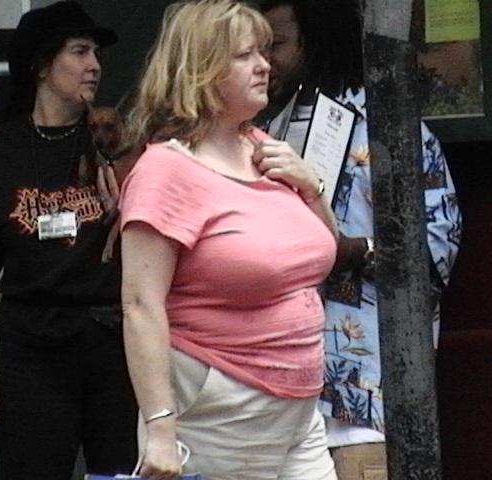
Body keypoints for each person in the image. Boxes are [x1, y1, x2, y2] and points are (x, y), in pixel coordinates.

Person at [119, 1, 339, 478]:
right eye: (245, 55)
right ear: (200, 70)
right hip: (221, 413)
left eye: (264, 51)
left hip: (300, 411)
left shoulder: (265, 149)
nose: (265, 65)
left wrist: (312, 186)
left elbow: (326, 253)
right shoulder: (166, 171)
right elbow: (139, 305)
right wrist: (161, 429)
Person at [0, 2, 138, 478]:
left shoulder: (113, 142)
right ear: (43, 66)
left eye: (97, 54)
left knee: (121, 471)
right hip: (34, 351)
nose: (94, 65)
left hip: (113, 343)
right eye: (80, 52)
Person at [259, 1, 462, 479]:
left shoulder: (390, 128)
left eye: (277, 46)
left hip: (361, 398)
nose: (265, 62)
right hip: (278, 399)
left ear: (315, 43)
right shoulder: (265, 129)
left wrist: (352, 251)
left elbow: (437, 245)